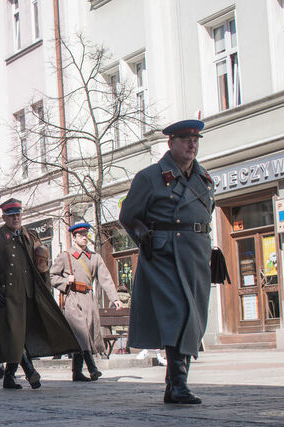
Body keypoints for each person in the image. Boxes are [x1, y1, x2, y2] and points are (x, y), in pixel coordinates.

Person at [119, 119, 215, 405]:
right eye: (185, 139)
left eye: (196, 139)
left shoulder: (203, 178)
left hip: (196, 255)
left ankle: (173, 386)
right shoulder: (150, 177)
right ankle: (178, 384)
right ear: (171, 143)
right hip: (165, 255)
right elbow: (128, 215)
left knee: (193, 317)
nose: (192, 144)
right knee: (177, 315)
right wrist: (145, 238)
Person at [0, 198, 80, 390]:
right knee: (16, 336)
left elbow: (41, 265)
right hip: (8, 295)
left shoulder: (29, 235)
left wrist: (45, 286)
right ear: (4, 217)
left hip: (30, 294)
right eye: (11, 215)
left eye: (18, 215)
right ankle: (30, 371)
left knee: (23, 336)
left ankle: (9, 376)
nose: (15, 218)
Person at [50, 223, 122, 382]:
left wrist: (114, 298)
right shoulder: (65, 256)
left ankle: (77, 373)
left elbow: (105, 279)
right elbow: (52, 277)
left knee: (85, 334)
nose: (84, 237)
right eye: (81, 234)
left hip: (89, 297)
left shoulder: (95, 257)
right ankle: (92, 368)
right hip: (73, 298)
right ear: (74, 238)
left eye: (86, 234)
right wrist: (65, 282)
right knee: (81, 333)